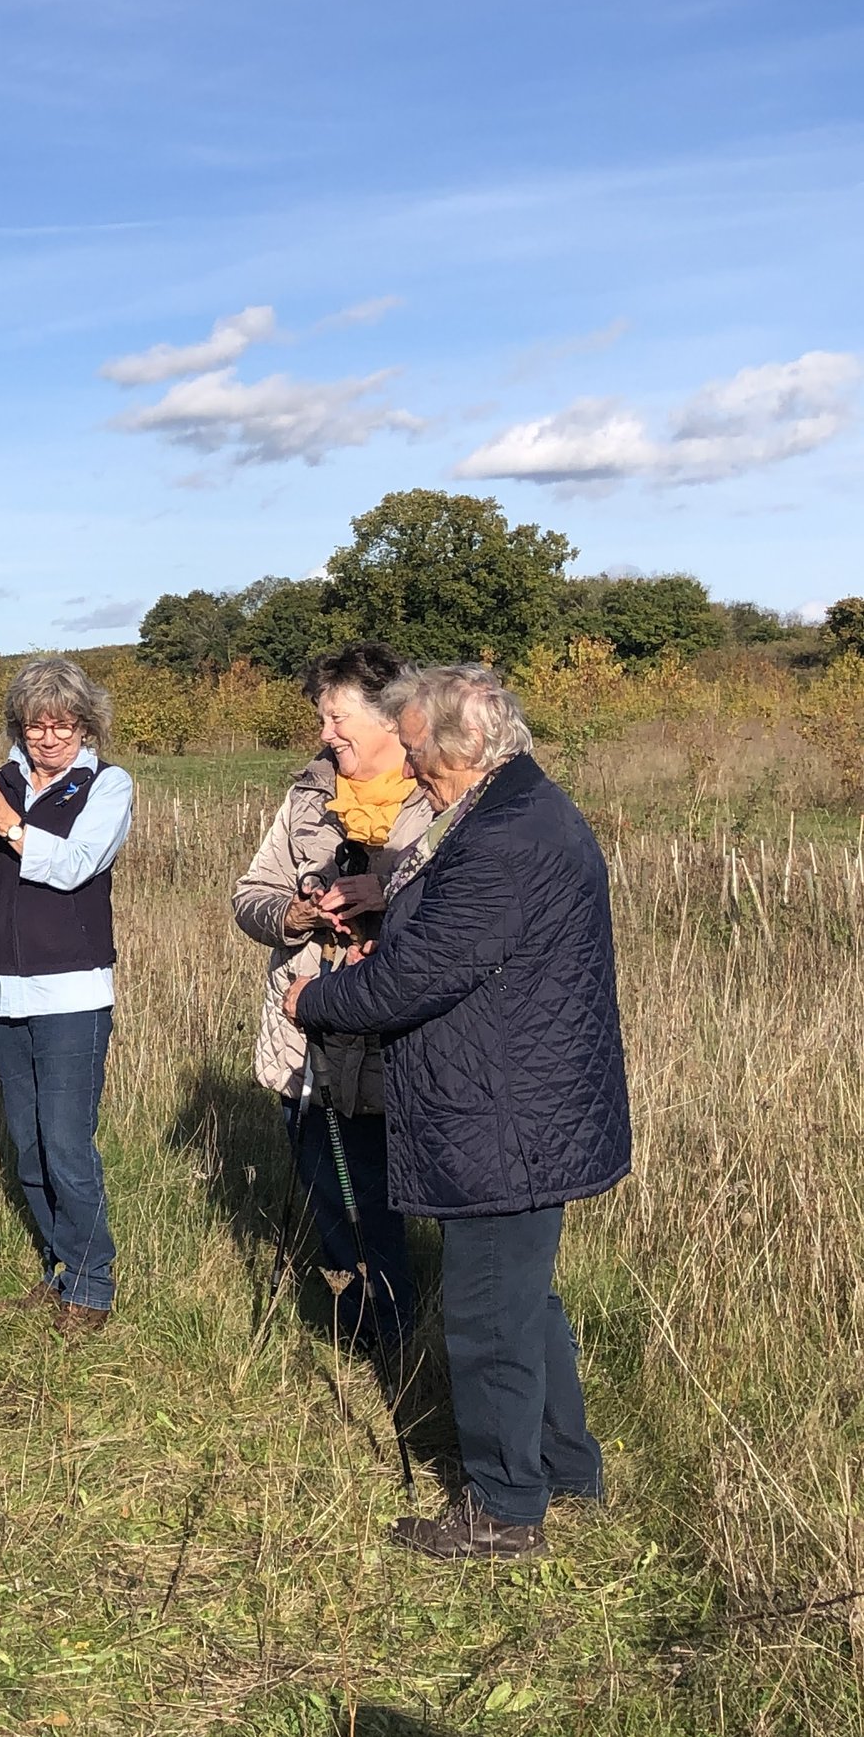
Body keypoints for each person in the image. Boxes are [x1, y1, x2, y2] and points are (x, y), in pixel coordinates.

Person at [287, 666, 630, 1559]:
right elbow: (457, 919)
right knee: (524, 1301)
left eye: (411, 743)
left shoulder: (507, 833)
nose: (402, 756)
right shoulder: (512, 806)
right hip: (521, 1107)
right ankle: (566, 1466)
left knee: (485, 1314)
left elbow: (420, 975)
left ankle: (505, 1508)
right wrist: (384, 894)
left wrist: (315, 1005)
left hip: (502, 1117)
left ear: (460, 746)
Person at [231, 641, 431, 1351]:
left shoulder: (439, 799)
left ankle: (402, 1338)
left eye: (338, 718)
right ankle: (359, 1322)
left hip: (397, 1050)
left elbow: (466, 913)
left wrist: (387, 900)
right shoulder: (308, 796)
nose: (326, 733)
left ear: (391, 718)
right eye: (323, 718)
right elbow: (249, 896)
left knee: (384, 1201)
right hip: (305, 1049)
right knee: (330, 1195)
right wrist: (295, 914)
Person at [0, 659, 134, 1337]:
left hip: (72, 990)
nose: (48, 737)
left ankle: (93, 1283)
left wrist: (6, 821)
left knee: (66, 1143)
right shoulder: (4, 780)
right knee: (27, 1145)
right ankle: (60, 1269)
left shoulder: (107, 784)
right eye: (35, 724)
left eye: (62, 724)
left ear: (86, 724)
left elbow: (78, 864)